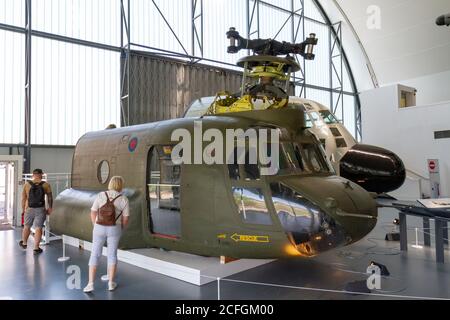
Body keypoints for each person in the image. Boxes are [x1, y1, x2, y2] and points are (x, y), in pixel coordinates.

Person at [83, 176, 129, 292]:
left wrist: (95, 225)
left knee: (95, 254)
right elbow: (126, 218)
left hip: (99, 227)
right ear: (120, 185)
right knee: (112, 255)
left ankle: (90, 284)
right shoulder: (124, 199)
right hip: (114, 228)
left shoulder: (101, 195)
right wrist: (120, 228)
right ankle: (110, 283)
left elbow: (93, 212)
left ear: (110, 184)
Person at [19, 168, 53, 254]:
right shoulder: (46, 184)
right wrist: (50, 207)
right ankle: (36, 248)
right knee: (39, 227)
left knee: (27, 226)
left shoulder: (27, 184)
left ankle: (24, 243)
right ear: (41, 174)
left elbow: (23, 198)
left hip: (29, 208)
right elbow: (50, 197)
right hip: (40, 209)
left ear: (33, 175)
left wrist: (23, 209)